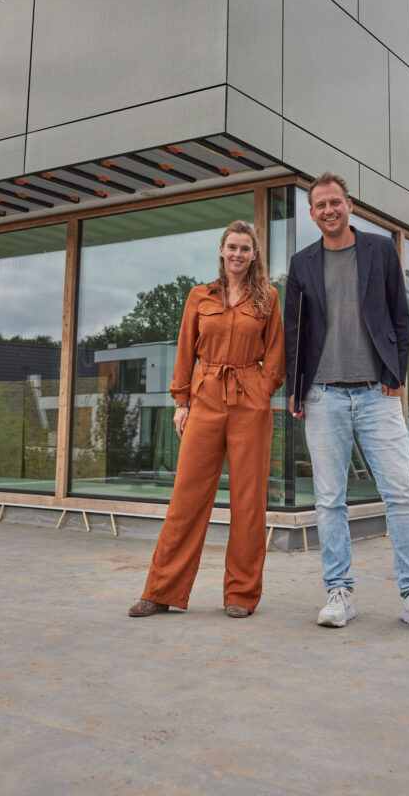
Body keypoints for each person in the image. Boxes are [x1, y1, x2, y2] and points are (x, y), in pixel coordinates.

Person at [284, 172, 409, 632]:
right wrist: (296, 388)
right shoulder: (301, 263)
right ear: (312, 213)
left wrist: (397, 373)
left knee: (402, 493)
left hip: (378, 393)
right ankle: (339, 592)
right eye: (320, 205)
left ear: (349, 205)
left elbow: (400, 315)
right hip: (322, 395)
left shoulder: (379, 250)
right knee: (329, 500)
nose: (329, 210)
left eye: (335, 202)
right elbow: (294, 331)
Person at [129, 220, 285, 619]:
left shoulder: (268, 297)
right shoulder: (200, 296)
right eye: (232, 247)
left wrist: (262, 389)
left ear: (254, 255)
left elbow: (276, 353)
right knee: (186, 496)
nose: (238, 254)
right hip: (205, 397)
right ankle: (160, 591)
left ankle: (241, 595)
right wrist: (181, 402)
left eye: (245, 248)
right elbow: (185, 350)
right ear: (221, 250)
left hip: (249, 400)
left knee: (248, 501)